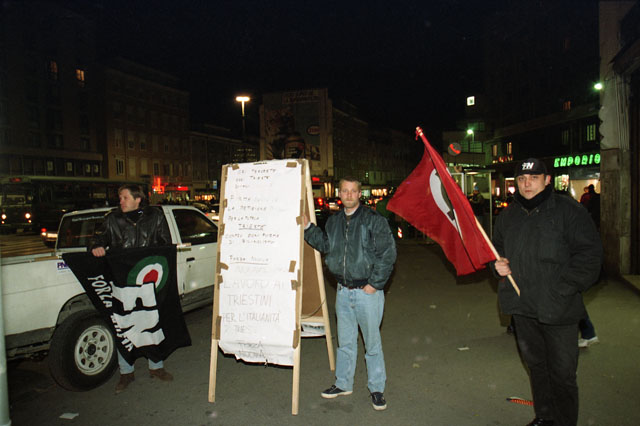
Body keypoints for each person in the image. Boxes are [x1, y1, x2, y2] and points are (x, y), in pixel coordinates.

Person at [492, 158, 602, 426]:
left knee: (563, 373)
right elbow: (495, 251)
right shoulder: (509, 215)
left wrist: (564, 288)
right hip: (522, 307)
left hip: (559, 308)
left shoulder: (569, 211)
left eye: (534, 178)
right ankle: (544, 416)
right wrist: (496, 266)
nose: (527, 184)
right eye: (521, 179)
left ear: (547, 180)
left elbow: (590, 255)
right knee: (537, 367)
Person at [304, 176, 396, 411]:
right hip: (343, 292)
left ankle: (377, 388)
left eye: (353, 191)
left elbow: (388, 253)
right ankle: (343, 383)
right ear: (339, 193)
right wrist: (307, 228)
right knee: (345, 342)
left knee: (372, 344)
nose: (348, 195)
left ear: (359, 194)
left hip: (367, 293)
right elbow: (326, 245)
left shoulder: (373, 220)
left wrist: (375, 284)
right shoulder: (334, 222)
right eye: (345, 190)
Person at [90, 184, 174, 394]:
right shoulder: (112, 219)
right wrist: (96, 246)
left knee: (151, 322)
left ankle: (156, 367)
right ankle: (126, 372)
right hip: (122, 281)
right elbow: (98, 238)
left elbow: (165, 243)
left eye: (125, 197)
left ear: (138, 199)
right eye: (120, 198)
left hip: (147, 281)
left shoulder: (155, 216)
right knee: (124, 324)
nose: (121, 201)